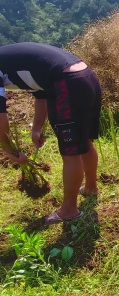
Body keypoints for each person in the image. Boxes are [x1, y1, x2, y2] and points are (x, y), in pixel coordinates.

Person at [0, 42, 102, 224]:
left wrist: (8, 150)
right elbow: (41, 93)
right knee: (84, 141)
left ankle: (69, 210)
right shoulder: (8, 59)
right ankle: (90, 187)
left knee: (71, 152)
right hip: (86, 76)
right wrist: (37, 128)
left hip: (67, 82)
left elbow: (0, 118)